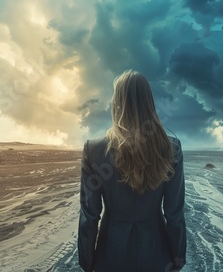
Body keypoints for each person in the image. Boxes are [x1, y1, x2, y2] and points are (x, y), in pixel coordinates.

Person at [78, 70, 186, 272]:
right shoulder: (171, 148)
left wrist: (87, 262)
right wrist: (178, 258)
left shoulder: (94, 149)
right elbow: (175, 214)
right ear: (149, 102)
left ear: (116, 103)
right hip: (157, 256)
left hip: (110, 256)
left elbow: (90, 216)